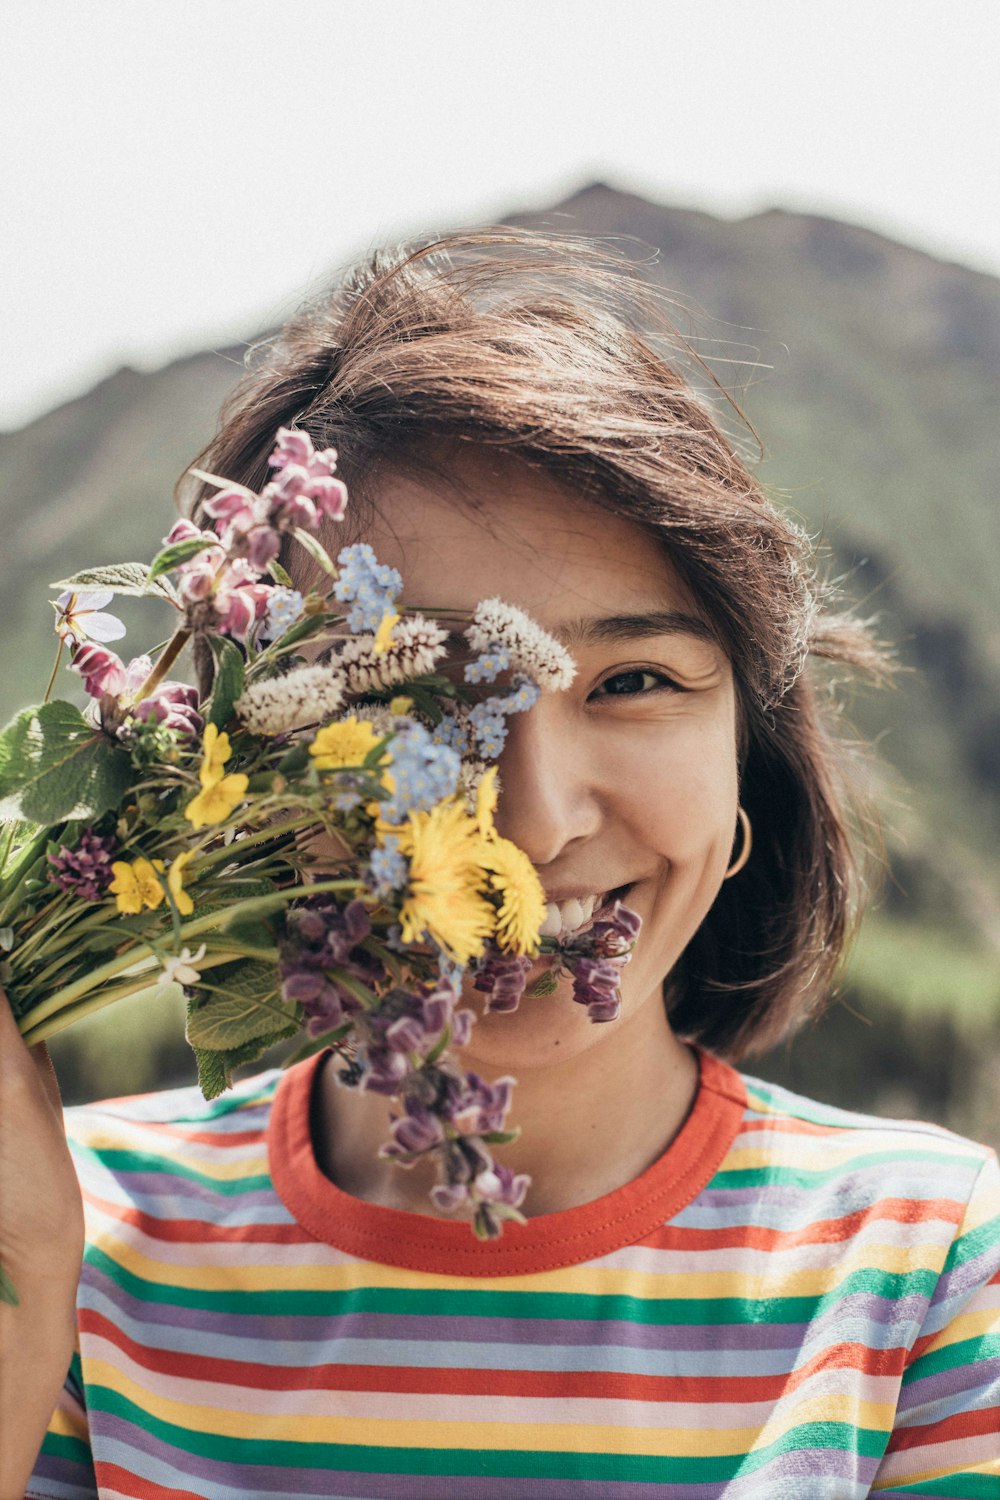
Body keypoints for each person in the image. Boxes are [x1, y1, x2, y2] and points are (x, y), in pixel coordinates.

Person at [2, 230, 998, 1499]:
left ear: (747, 746)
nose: (532, 818)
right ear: (240, 759)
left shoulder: (929, 1271)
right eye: (418, 690)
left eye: (634, 682)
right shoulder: (75, 1238)